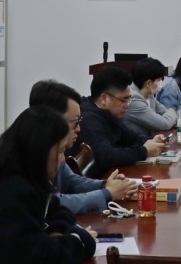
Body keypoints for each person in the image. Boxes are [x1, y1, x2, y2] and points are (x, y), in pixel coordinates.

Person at [0, 106, 97, 263]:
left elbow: (59, 211)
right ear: (41, 151)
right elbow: (37, 257)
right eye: (60, 151)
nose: (62, 160)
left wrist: (56, 231)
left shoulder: (26, 177)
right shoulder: (11, 191)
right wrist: (79, 240)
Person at [29, 79, 138, 214]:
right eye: (75, 122)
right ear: (53, 119)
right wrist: (107, 194)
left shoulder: (53, 146)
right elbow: (55, 203)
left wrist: (105, 185)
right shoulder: (30, 153)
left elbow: (71, 181)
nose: (79, 129)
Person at [74, 66, 167, 179]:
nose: (127, 105)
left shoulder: (109, 113)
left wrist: (150, 141)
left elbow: (130, 137)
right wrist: (144, 151)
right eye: (124, 99)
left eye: (129, 99)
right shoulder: (88, 119)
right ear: (104, 99)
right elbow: (106, 156)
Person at [124, 57, 177, 137]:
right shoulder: (133, 99)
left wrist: (169, 114)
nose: (161, 82)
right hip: (135, 143)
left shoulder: (149, 94)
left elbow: (163, 111)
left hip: (150, 140)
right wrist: (171, 113)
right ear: (149, 83)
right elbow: (164, 124)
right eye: (159, 79)